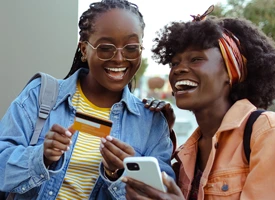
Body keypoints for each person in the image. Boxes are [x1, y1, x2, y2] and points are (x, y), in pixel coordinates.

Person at [0, 0, 175, 199]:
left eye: (131, 47)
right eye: (106, 47)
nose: (119, 58)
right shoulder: (40, 96)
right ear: (84, 50)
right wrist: (41, 157)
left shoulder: (151, 122)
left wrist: (119, 173)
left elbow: (164, 193)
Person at [122, 5, 275, 200]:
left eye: (196, 59)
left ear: (230, 72)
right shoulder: (186, 153)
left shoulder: (268, 132)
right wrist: (160, 132)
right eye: (175, 63)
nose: (179, 69)